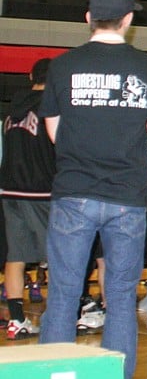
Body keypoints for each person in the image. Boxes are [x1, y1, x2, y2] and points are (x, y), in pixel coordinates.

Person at [38, 0, 147, 379]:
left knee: (63, 295)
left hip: (74, 191)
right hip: (127, 196)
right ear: (128, 20)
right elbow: (145, 129)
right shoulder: (146, 67)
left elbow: (54, 131)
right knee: (122, 299)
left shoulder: (62, 65)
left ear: (88, 18)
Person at [1, 57, 54, 339]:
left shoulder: (12, 109)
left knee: (16, 256)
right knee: (57, 256)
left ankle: (17, 320)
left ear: (30, 75)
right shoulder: (51, 106)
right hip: (40, 190)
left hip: (9, 189)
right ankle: (59, 315)